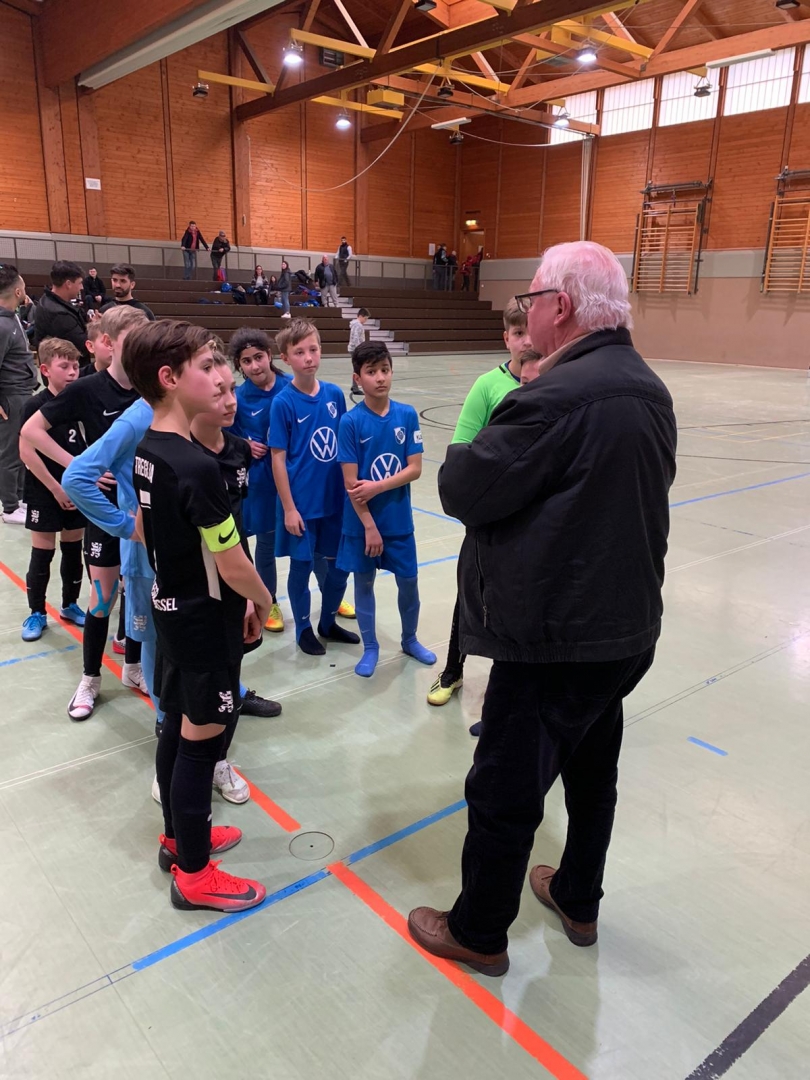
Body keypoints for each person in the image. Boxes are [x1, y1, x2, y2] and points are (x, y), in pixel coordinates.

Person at [407, 241, 677, 977]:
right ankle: (579, 897)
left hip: (557, 637)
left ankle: (478, 931)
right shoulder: (648, 387)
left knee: (504, 786)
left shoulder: (555, 395)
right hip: (625, 630)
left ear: (561, 306)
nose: (523, 314)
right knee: (592, 771)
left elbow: (463, 487)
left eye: (530, 300)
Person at [63, 343, 279, 804]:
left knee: (201, 695)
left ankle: (200, 762)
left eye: (228, 383)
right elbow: (79, 477)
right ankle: (181, 799)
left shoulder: (225, 450)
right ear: (170, 378)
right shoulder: (163, 442)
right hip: (178, 587)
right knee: (177, 694)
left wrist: (243, 591)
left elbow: (229, 541)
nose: (224, 392)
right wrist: (128, 527)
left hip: (215, 589)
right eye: (208, 370)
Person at [127, 319, 271, 912]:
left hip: (172, 609)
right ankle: (194, 874)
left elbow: (145, 531)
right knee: (199, 742)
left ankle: (176, 838)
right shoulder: (195, 466)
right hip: (206, 621)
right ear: (169, 378)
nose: (220, 376)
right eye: (207, 366)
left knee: (177, 727)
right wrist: (263, 599)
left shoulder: (149, 450)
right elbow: (232, 562)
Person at [21, 306, 150, 720]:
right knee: (103, 597)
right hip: (107, 512)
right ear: (109, 343)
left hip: (146, 510)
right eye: (133, 339)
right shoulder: (88, 388)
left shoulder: (153, 386)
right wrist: (81, 466)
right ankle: (91, 679)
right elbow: (30, 432)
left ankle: (134, 667)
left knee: (138, 595)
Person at [427, 298, 533, 716]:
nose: (526, 341)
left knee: (522, 603)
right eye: (518, 333)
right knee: (471, 592)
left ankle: (507, 691)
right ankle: (453, 670)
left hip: (532, 518)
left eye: (531, 332)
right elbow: (461, 450)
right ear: (506, 337)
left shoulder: (552, 382)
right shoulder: (488, 386)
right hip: (491, 515)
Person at [337, 341, 435, 678]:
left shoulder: (406, 415)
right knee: (364, 583)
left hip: (397, 520)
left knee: (409, 581)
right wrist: (369, 525)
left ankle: (410, 639)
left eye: (385, 370)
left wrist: (377, 486)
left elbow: (415, 469)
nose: (380, 378)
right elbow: (351, 483)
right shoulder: (350, 422)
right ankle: (371, 647)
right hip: (362, 523)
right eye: (371, 372)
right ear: (357, 378)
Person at [269, 318, 360, 656]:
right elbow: (278, 458)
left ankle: (328, 623)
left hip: (334, 500)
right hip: (301, 505)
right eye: (299, 352)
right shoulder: (283, 402)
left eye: (313, 349)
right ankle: (304, 629)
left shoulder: (334, 394)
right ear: (285, 358)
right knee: (302, 567)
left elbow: (346, 447)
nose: (308, 358)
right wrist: (289, 508)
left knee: (339, 568)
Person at [17, 338, 86, 641]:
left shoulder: (81, 403)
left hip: (76, 490)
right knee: (43, 551)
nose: (72, 372)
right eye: (64, 366)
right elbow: (26, 451)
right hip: (44, 489)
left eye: (75, 366)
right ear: (45, 370)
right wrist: (56, 488)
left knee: (73, 548)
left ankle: (70, 604)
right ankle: (36, 612)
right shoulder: (35, 406)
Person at [229, 328, 292, 634]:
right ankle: (270, 600)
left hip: (295, 477)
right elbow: (221, 434)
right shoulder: (238, 398)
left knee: (313, 539)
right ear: (239, 366)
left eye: (258, 357)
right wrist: (243, 443)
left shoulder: (290, 387)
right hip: (261, 481)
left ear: (270, 355)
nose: (254, 366)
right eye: (246, 361)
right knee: (266, 542)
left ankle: (331, 594)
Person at [0, 264, 38, 525]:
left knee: (22, 449)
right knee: (10, 453)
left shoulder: (12, 317)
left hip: (23, 392)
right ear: (17, 290)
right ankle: (10, 507)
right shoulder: (2, 326)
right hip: (11, 396)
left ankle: (20, 497)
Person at [32, 261, 90, 364]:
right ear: (68, 284)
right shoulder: (59, 314)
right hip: (69, 370)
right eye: (80, 283)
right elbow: (84, 346)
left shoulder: (47, 299)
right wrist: (95, 328)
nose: (82, 287)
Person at [347, 308, 370, 401]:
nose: (366, 320)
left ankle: (354, 386)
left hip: (354, 349)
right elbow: (356, 338)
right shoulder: (358, 325)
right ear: (360, 316)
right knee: (357, 368)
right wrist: (360, 349)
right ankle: (355, 387)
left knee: (356, 368)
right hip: (356, 349)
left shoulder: (355, 324)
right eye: (365, 318)